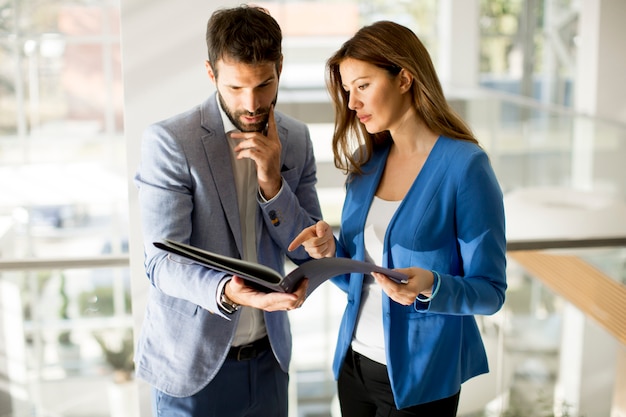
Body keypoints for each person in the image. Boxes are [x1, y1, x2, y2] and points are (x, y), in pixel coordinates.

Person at [289, 21, 507, 416]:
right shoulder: (367, 166)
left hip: (420, 383)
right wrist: (329, 251)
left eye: (363, 85)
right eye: (347, 90)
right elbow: (358, 278)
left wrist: (432, 286)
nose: (352, 103)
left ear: (405, 78)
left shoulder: (465, 168)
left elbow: (491, 292)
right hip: (353, 366)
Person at [133, 5, 322, 417]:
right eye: (236, 88)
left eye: (263, 84)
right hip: (192, 367)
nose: (252, 103)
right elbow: (161, 262)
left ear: (280, 68)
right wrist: (227, 291)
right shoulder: (170, 142)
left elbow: (306, 252)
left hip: (269, 362)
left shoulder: (297, 139)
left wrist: (272, 181)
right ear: (210, 72)